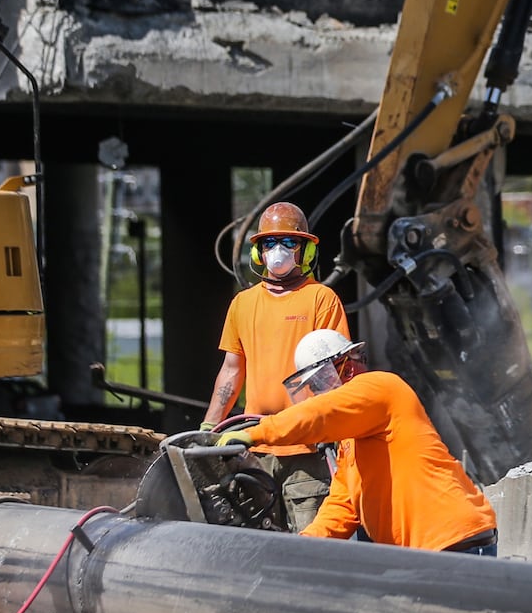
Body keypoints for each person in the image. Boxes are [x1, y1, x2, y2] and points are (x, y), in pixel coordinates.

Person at [218, 329, 499, 555]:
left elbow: (320, 415)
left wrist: (254, 433)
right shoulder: (351, 446)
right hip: (426, 554)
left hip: (456, 543)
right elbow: (343, 507)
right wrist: (301, 546)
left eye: (318, 383)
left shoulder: (383, 388)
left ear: (347, 367)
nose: (316, 394)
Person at [203, 202, 348, 532]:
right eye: (269, 243)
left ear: (305, 250)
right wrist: (210, 426)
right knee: (257, 547)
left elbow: (336, 376)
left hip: (307, 451)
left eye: (288, 242)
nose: (277, 250)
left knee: (312, 549)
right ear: (258, 253)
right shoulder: (243, 303)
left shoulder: (322, 300)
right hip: (254, 451)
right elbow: (231, 370)